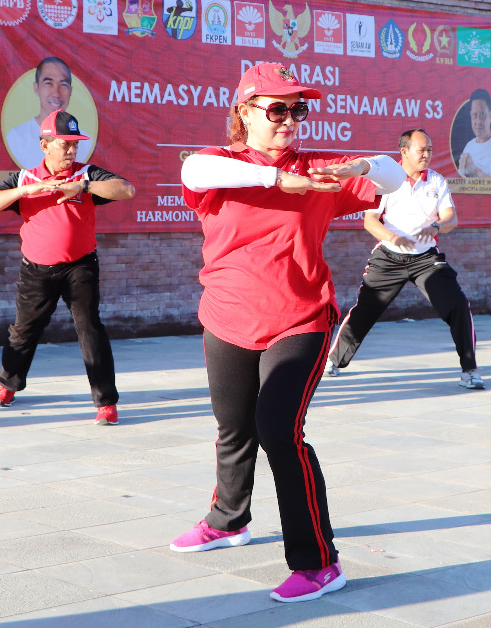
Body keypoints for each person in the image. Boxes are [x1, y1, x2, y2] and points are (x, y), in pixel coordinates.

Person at [170, 62, 405, 604]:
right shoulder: (223, 165)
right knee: (233, 429)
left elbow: (393, 178)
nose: (290, 120)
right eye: (277, 109)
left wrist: (361, 167)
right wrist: (277, 179)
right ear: (244, 112)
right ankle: (228, 520)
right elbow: (194, 170)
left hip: (300, 319)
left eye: (297, 109)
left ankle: (319, 563)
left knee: (279, 430)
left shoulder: (319, 170)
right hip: (227, 317)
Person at [0, 109, 134, 424]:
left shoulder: (86, 174)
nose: (72, 151)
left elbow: (126, 189)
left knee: (90, 329)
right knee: (23, 330)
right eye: (65, 144)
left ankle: (106, 403)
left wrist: (83, 187)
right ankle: (7, 385)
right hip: (36, 270)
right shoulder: (25, 178)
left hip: (80, 267)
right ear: (45, 145)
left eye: (75, 144)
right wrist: (23, 192)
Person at [327, 128, 483, 389]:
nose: (427, 155)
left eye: (430, 150)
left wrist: (436, 226)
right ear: (404, 151)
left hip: (426, 259)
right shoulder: (386, 180)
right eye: (422, 150)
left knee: (457, 304)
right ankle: (333, 361)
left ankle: (470, 370)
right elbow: (370, 221)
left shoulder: (436, 181)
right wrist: (393, 237)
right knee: (365, 310)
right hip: (389, 257)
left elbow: (451, 218)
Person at [5, 56, 90, 170]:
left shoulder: (87, 143)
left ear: (71, 90)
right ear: (36, 88)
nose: (56, 93)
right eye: (49, 83)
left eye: (63, 84)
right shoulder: (15, 137)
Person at [456, 89, 491, 178]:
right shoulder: (469, 146)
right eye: (475, 115)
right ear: (471, 116)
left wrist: (474, 170)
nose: (478, 121)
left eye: (482, 115)